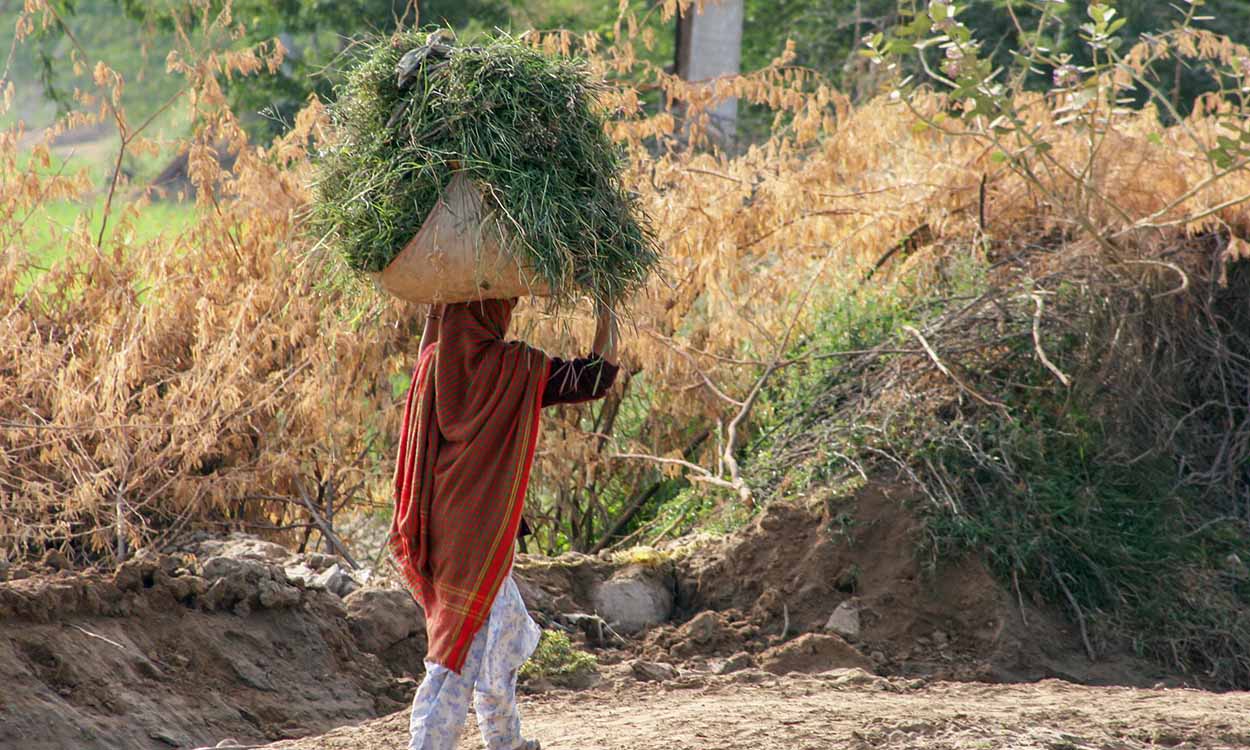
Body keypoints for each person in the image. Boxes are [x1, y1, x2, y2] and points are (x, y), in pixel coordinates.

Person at [390, 297, 620, 750]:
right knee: (459, 649)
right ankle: (430, 744)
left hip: (441, 530)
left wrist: (439, 306)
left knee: (498, 633)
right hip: (481, 536)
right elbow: (594, 377)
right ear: (495, 315)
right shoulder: (513, 369)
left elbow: (427, 348)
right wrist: (608, 307)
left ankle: (505, 739)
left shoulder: (432, 370)